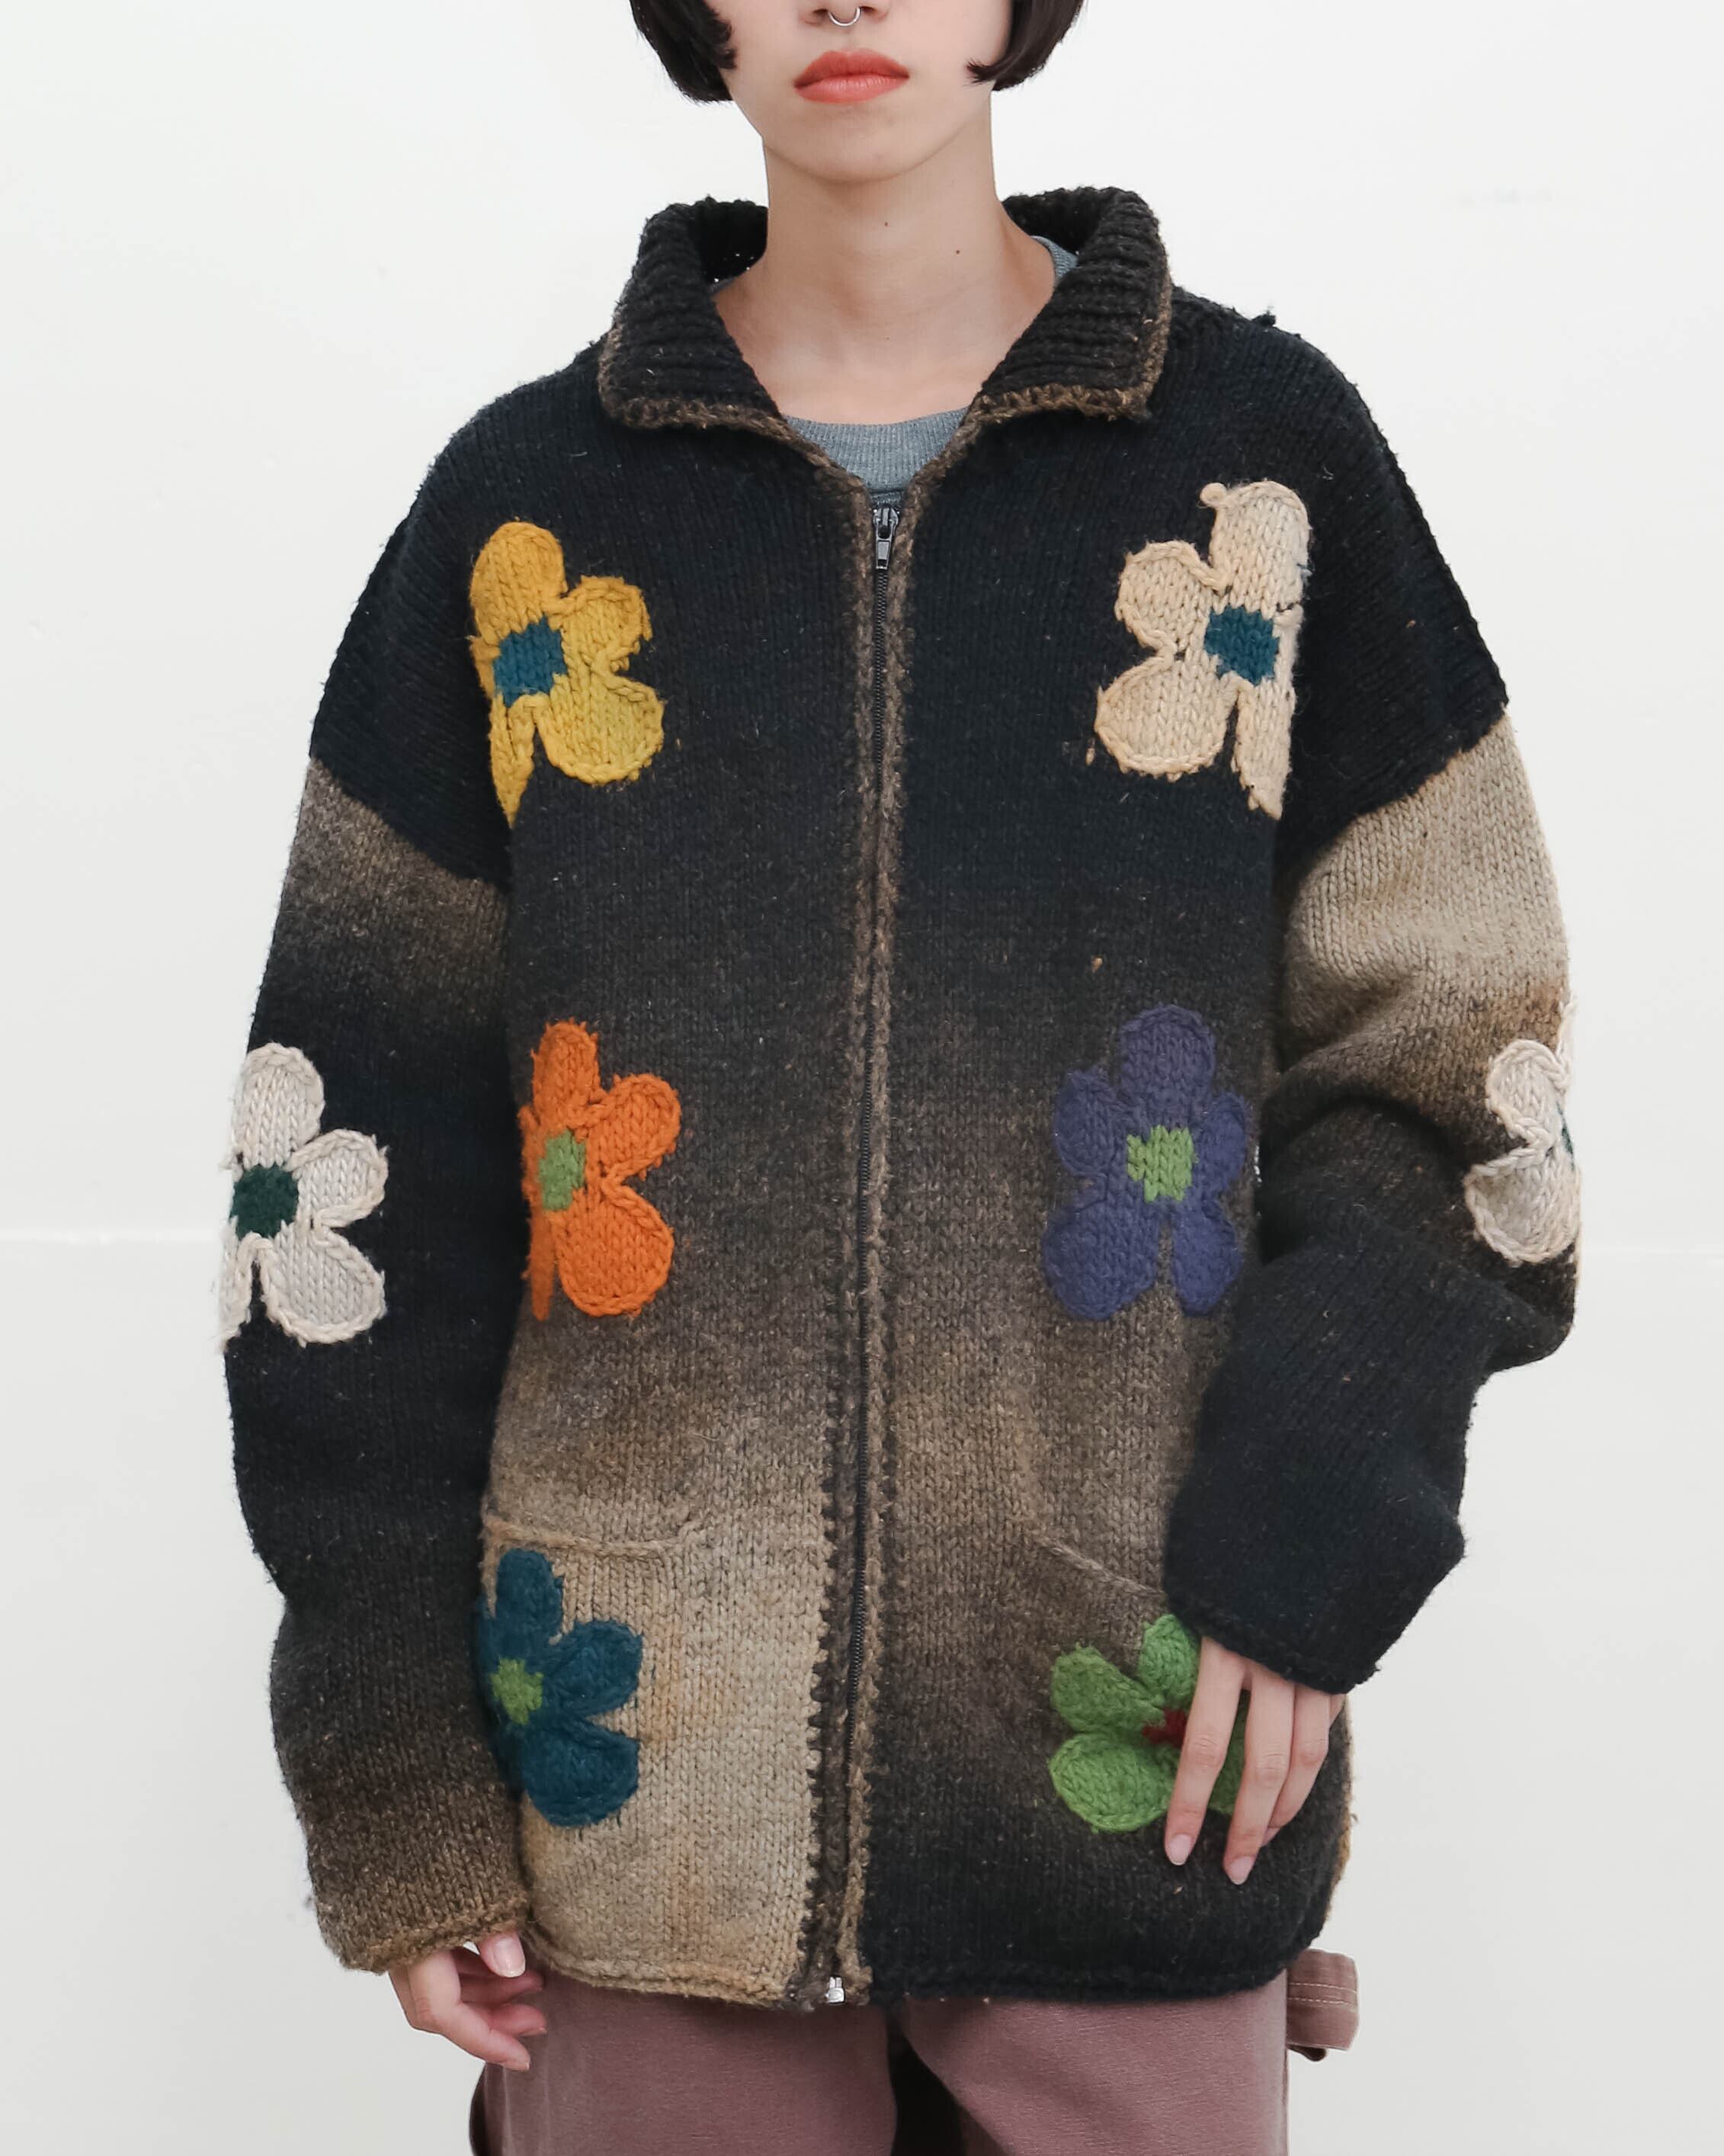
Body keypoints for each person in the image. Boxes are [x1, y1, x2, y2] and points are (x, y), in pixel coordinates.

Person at [219, 3, 1578, 2150]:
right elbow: (344, 1184)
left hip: (1145, 1762)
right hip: (637, 1796)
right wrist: (395, 1761)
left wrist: (1313, 1531)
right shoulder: (524, 524)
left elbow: (1457, 1078)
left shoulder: (1261, 475)